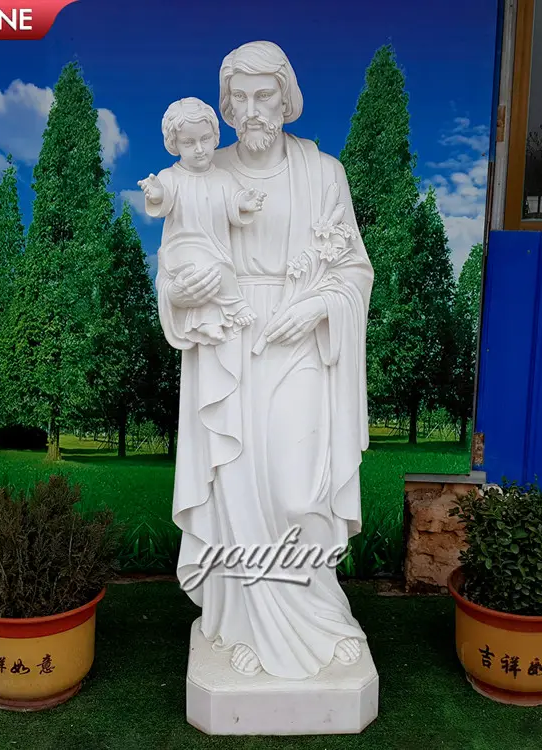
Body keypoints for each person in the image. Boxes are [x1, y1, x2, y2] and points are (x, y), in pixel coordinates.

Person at [156, 41, 374, 680]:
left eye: (265, 95)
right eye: (240, 97)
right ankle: (239, 622)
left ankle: (313, 612)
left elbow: (355, 269)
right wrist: (179, 291)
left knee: (296, 484)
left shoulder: (322, 173)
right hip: (226, 345)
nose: (253, 110)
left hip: (300, 341)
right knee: (235, 486)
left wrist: (317, 308)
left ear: (287, 97)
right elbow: (174, 257)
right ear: (225, 105)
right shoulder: (203, 171)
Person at [139, 97, 264, 345]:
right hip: (182, 249)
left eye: (205, 139)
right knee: (209, 273)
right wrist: (156, 194)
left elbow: (234, 200)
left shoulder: (223, 178)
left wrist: (245, 204)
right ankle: (237, 306)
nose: (199, 148)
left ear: (215, 136)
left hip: (213, 250)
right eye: (189, 142)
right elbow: (163, 198)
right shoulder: (171, 176)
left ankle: (205, 323)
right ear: (174, 145)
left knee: (211, 280)